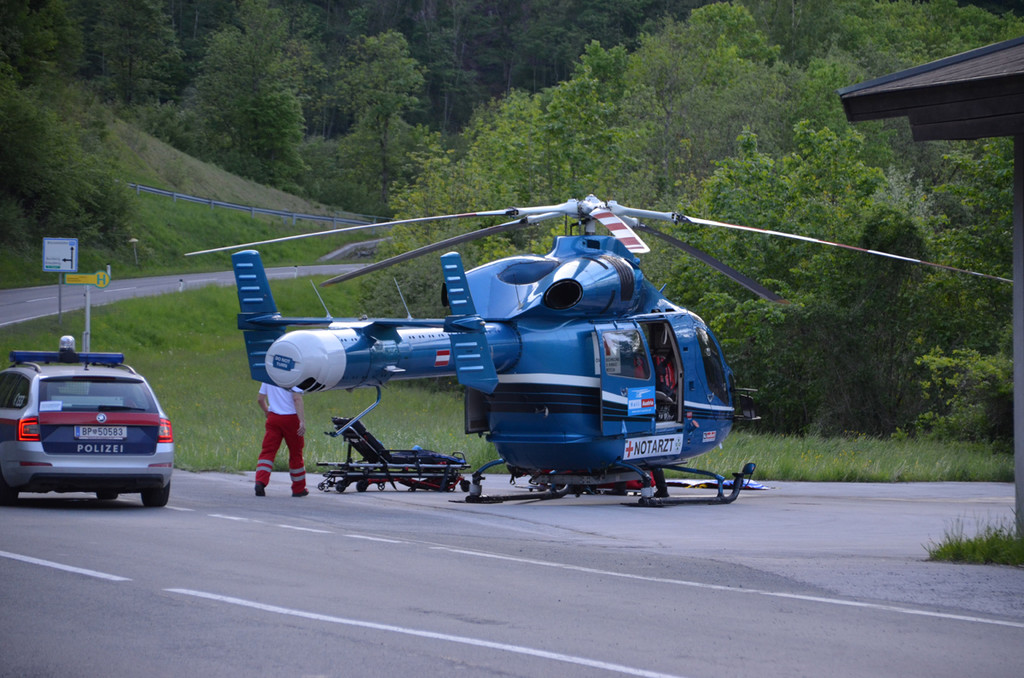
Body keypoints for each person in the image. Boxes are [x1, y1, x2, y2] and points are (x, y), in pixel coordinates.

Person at [254, 382, 308, 497]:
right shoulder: (295, 378)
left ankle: (260, 481)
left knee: (268, 451)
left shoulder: (268, 377)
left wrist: (266, 411)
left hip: (273, 418)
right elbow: (297, 398)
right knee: (296, 453)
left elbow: (260, 399)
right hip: (291, 419)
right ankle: (298, 489)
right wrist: (302, 421)